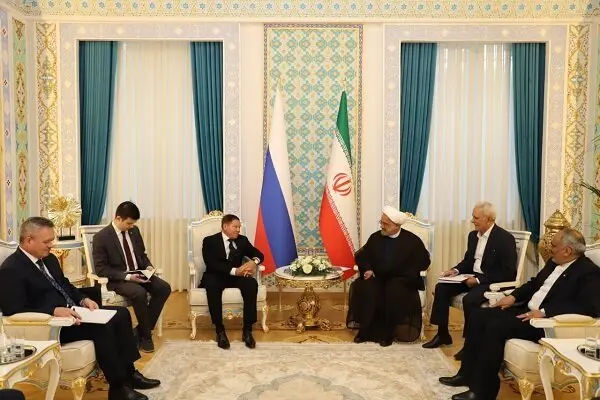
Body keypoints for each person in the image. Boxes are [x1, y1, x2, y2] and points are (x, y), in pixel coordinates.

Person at [0, 217, 160, 400]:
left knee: (121, 314)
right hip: (52, 325)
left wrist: (83, 299)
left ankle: (129, 374)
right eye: (47, 241)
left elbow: (65, 285)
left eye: (52, 240)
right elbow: (13, 309)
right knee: (102, 327)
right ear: (29, 240)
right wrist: (52, 311)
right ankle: (118, 388)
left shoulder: (49, 259)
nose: (52, 245)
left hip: (73, 312)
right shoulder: (11, 269)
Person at [439, 228, 600, 400]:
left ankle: (483, 392)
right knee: (478, 316)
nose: (549, 248)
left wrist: (544, 312)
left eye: (554, 245)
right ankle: (466, 374)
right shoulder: (554, 262)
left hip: (544, 323)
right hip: (525, 311)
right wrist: (513, 296)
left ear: (567, 250)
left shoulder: (589, 272)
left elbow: (589, 307)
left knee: (494, 327)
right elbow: (533, 284)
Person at [423, 201, 517, 360]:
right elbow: (468, 261)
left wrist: (478, 280)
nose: (472, 220)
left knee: (470, 300)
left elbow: (508, 272)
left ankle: (469, 344)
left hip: (489, 282)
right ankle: (443, 334)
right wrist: (455, 271)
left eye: (476, 218)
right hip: (471, 277)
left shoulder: (505, 238)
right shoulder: (473, 236)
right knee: (441, 288)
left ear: (489, 219)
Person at [93, 201, 171, 353]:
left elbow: (142, 255)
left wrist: (148, 267)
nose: (131, 226)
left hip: (139, 272)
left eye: (133, 223)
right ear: (118, 218)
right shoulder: (101, 237)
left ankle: (140, 331)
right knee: (139, 293)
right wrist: (128, 277)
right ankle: (146, 337)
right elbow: (101, 269)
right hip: (119, 279)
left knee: (164, 288)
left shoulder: (134, 231)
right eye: (129, 223)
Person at [346, 206, 430, 345]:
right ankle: (365, 332)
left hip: (400, 279)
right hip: (378, 277)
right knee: (365, 286)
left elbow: (424, 261)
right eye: (381, 222)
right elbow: (362, 256)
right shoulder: (375, 237)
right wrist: (368, 269)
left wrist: (403, 273)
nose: (382, 226)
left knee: (393, 290)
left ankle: (388, 334)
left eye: (386, 224)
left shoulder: (412, 241)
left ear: (397, 225)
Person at [201, 214, 264, 349]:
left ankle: (247, 331)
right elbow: (211, 263)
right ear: (225, 226)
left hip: (236, 277)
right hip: (216, 275)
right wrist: (235, 271)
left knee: (251, 284)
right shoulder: (209, 241)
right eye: (235, 227)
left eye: (239, 227)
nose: (238, 230)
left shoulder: (242, 240)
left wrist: (254, 262)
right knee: (212, 285)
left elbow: (259, 254)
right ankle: (220, 330)